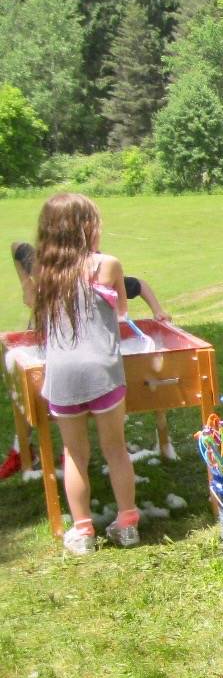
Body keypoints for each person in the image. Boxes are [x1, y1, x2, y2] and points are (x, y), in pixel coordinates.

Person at [5, 239, 176, 480]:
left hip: (82, 347)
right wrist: (26, 283)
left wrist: (157, 310)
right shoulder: (43, 269)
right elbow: (16, 247)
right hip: (47, 337)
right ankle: (25, 451)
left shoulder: (100, 280)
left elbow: (138, 285)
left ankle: (75, 451)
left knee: (83, 399)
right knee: (31, 395)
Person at [29, 195, 141, 554]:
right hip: (103, 373)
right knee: (115, 448)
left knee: (74, 453)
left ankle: (82, 532)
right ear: (87, 228)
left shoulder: (43, 273)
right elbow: (122, 309)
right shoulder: (107, 265)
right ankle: (127, 523)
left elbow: (34, 306)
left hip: (61, 376)